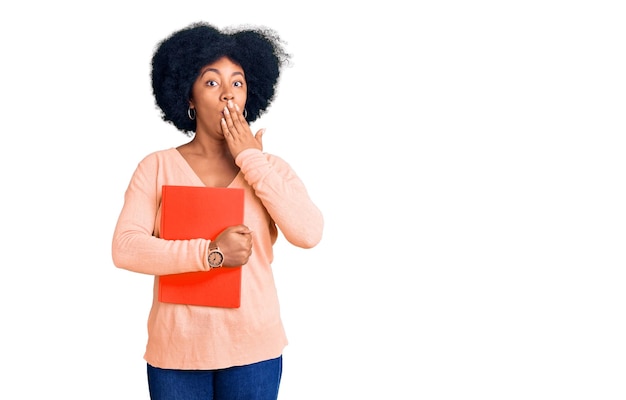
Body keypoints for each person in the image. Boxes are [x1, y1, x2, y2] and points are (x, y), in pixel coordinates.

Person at [111, 21, 324, 400]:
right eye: (212, 82)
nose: (228, 95)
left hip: (254, 351)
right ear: (188, 97)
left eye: (237, 83)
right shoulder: (156, 167)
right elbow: (125, 248)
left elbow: (309, 233)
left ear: (249, 95)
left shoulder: (267, 167)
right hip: (176, 353)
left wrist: (250, 160)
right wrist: (212, 254)